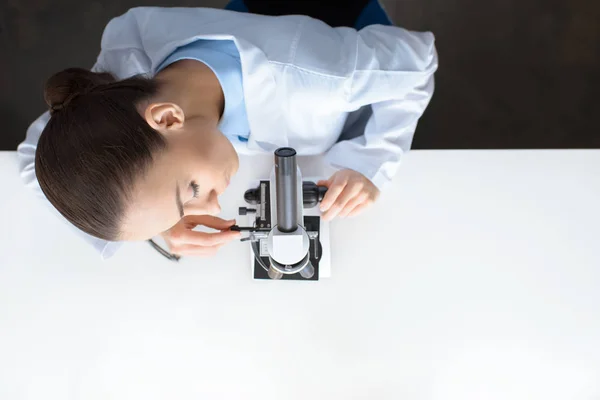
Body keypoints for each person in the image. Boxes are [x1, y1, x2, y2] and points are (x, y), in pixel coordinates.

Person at [17, 2, 438, 259]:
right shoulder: (116, 88)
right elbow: (34, 156)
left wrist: (369, 163)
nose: (215, 206)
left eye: (193, 192)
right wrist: (160, 220)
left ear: (166, 119)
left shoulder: (323, 82)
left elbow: (418, 62)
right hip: (242, 21)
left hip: (348, 45)